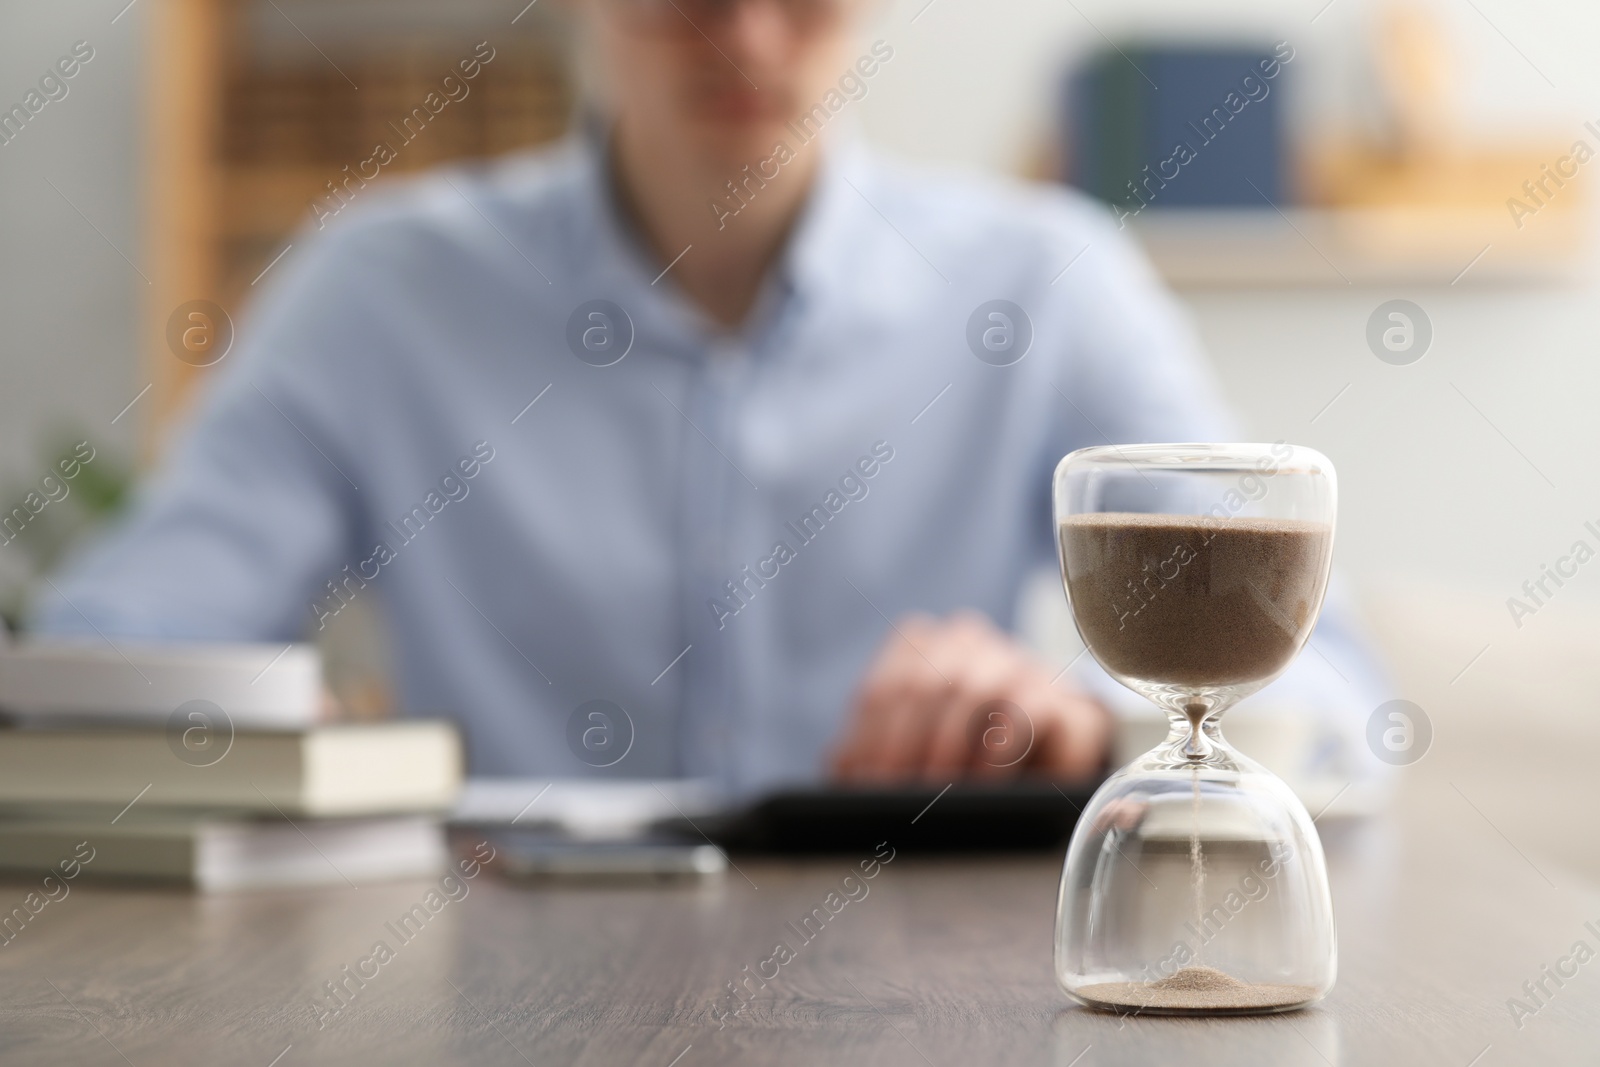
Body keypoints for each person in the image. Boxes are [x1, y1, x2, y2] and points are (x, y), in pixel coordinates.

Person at [32, 0, 1385, 794]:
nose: (741, 32)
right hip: (491, 1005)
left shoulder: (1048, 284)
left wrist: (1091, 718)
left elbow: (1329, 696)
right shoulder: (378, 292)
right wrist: (259, 738)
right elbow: (107, 659)